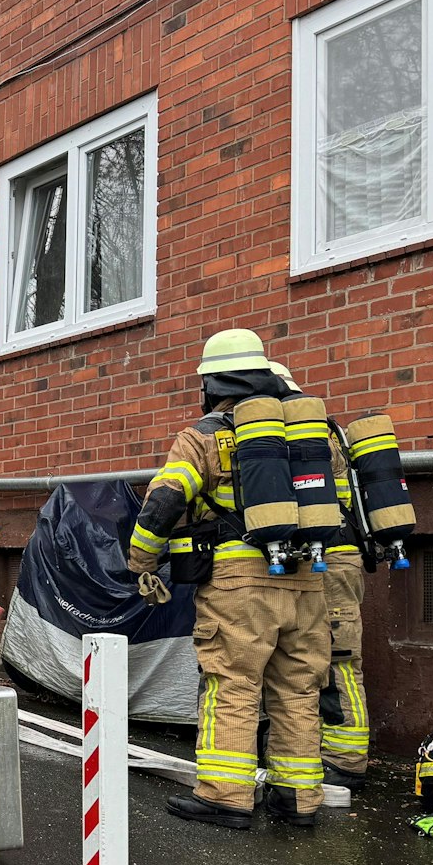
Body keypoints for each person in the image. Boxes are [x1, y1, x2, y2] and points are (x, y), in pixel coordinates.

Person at [126, 330, 331, 829]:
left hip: (239, 583)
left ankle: (226, 795)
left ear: (211, 383)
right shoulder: (311, 436)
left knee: (232, 683)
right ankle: (298, 799)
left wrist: (141, 561)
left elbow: (165, 502)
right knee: (298, 688)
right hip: (309, 576)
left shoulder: (204, 437)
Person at [269, 362, 370, 791]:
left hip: (324, 564)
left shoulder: (299, 435)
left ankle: (346, 757)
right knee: (332, 660)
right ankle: (336, 751)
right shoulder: (328, 433)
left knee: (338, 662)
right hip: (339, 560)